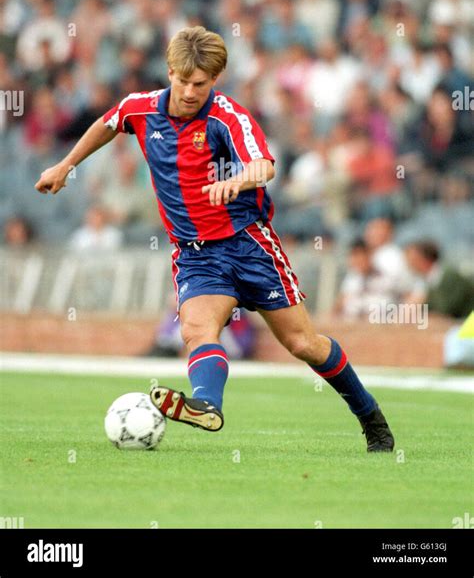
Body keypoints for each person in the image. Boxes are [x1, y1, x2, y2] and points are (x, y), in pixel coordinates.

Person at [35, 25, 394, 452]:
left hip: (248, 244)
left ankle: (370, 416)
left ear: (215, 79)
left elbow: (264, 166)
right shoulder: (141, 109)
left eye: (200, 84)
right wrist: (66, 165)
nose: (190, 91)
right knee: (196, 329)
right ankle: (206, 404)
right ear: (170, 71)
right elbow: (109, 123)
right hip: (195, 254)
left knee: (303, 343)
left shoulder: (228, 117)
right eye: (183, 81)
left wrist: (237, 180)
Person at [404, 241, 474, 320]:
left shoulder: (448, 276)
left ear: (423, 259)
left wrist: (422, 300)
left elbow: (446, 310)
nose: (408, 263)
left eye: (412, 259)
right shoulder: (428, 279)